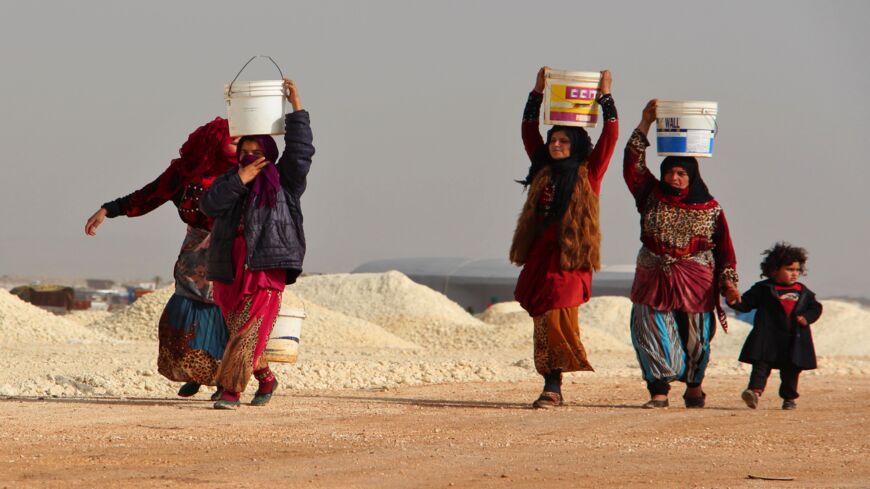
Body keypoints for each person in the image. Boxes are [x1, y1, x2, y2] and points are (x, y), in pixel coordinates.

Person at [84, 117, 238, 399]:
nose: (241, 143)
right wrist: (108, 209)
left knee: (225, 317)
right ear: (213, 142)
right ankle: (197, 372)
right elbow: (148, 195)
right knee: (184, 316)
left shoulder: (245, 173)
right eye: (234, 138)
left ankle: (225, 382)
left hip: (231, 257)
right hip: (193, 261)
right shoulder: (183, 174)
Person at [200, 79, 314, 410]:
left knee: (249, 329)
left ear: (270, 154)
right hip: (228, 266)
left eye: (257, 152)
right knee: (239, 330)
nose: (250, 156)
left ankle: (231, 390)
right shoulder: (229, 181)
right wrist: (240, 180)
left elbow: (302, 151)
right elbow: (209, 206)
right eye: (245, 151)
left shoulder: (286, 181)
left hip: (265, 266)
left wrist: (297, 108)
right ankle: (266, 378)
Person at [510, 67, 618, 409]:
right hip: (540, 256)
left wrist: (606, 97)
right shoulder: (541, 169)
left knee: (559, 316)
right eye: (553, 140)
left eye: (562, 141)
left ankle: (553, 386)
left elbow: (610, 139)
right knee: (542, 319)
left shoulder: (590, 172)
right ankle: (550, 384)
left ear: (575, 145)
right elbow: (528, 131)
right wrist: (537, 92)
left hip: (570, 260)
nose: (555, 145)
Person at [623, 99, 740, 409]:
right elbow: (632, 163)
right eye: (669, 172)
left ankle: (694, 386)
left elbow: (726, 250)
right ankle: (658, 390)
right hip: (652, 274)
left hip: (696, 278)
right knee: (650, 329)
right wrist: (645, 121)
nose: (673, 178)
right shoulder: (649, 194)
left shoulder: (711, 209)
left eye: (680, 173)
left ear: (691, 177)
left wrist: (729, 283)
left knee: (696, 338)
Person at [728, 242, 823, 410]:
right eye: (789, 269)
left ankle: (789, 398)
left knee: (791, 371)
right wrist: (733, 299)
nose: (794, 274)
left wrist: (807, 318)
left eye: (797, 270)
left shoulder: (803, 291)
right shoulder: (763, 289)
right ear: (774, 270)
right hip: (768, 337)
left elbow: (816, 307)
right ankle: (754, 392)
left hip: (793, 339)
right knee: (761, 366)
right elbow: (746, 304)